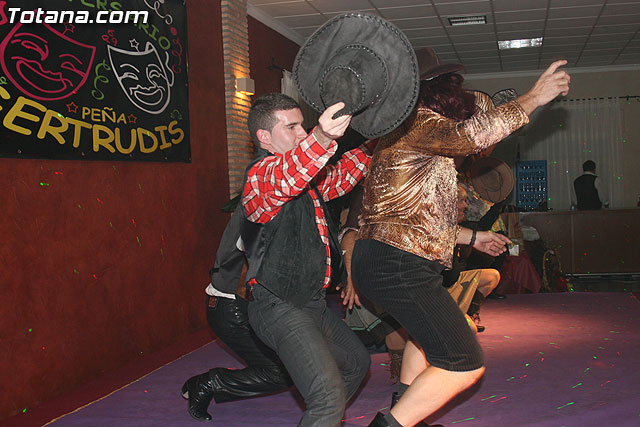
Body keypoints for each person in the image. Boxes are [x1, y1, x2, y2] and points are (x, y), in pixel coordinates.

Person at [351, 47, 570, 427]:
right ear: (437, 91)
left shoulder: (404, 135)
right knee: (462, 361)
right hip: (397, 265)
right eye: (453, 85)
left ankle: (408, 412)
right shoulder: (417, 122)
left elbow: (416, 218)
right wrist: (534, 97)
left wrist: (472, 238)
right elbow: (471, 136)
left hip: (387, 260)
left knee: (423, 341)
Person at [239, 93, 374, 426]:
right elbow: (288, 173)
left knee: (356, 363)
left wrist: (378, 140)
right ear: (264, 137)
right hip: (279, 306)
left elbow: (340, 176)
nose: (302, 133)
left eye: (303, 125)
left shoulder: (307, 181)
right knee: (327, 397)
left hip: (311, 305)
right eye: (292, 127)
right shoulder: (261, 176)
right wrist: (323, 136)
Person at [180, 205, 293, 421]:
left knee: (290, 362)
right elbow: (256, 248)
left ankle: (205, 382)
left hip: (235, 305)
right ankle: (207, 383)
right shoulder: (258, 205)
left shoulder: (263, 202)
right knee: (281, 372)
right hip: (232, 308)